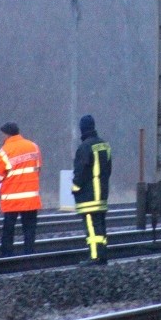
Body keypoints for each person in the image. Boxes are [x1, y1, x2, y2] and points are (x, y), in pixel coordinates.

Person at [0, 122, 43, 257]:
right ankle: (29, 254)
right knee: (29, 229)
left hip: (11, 199)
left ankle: (7, 255)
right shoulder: (34, 147)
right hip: (30, 198)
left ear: (6, 134)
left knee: (8, 230)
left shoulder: (3, 152)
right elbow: (37, 169)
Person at [73, 114, 112, 266]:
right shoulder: (104, 145)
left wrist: (75, 188)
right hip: (102, 194)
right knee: (100, 228)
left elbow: (80, 172)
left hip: (88, 197)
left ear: (82, 129)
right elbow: (108, 170)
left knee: (92, 229)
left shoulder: (84, 147)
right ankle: (102, 256)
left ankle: (95, 257)